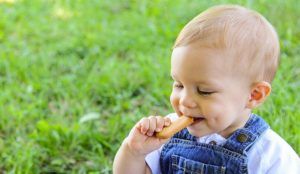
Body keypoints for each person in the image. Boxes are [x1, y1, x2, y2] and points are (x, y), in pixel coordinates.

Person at [113, 4, 300, 174]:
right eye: (179, 85)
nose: (184, 100)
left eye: (204, 91)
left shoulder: (270, 156)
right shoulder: (164, 136)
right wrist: (134, 152)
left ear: (254, 95)